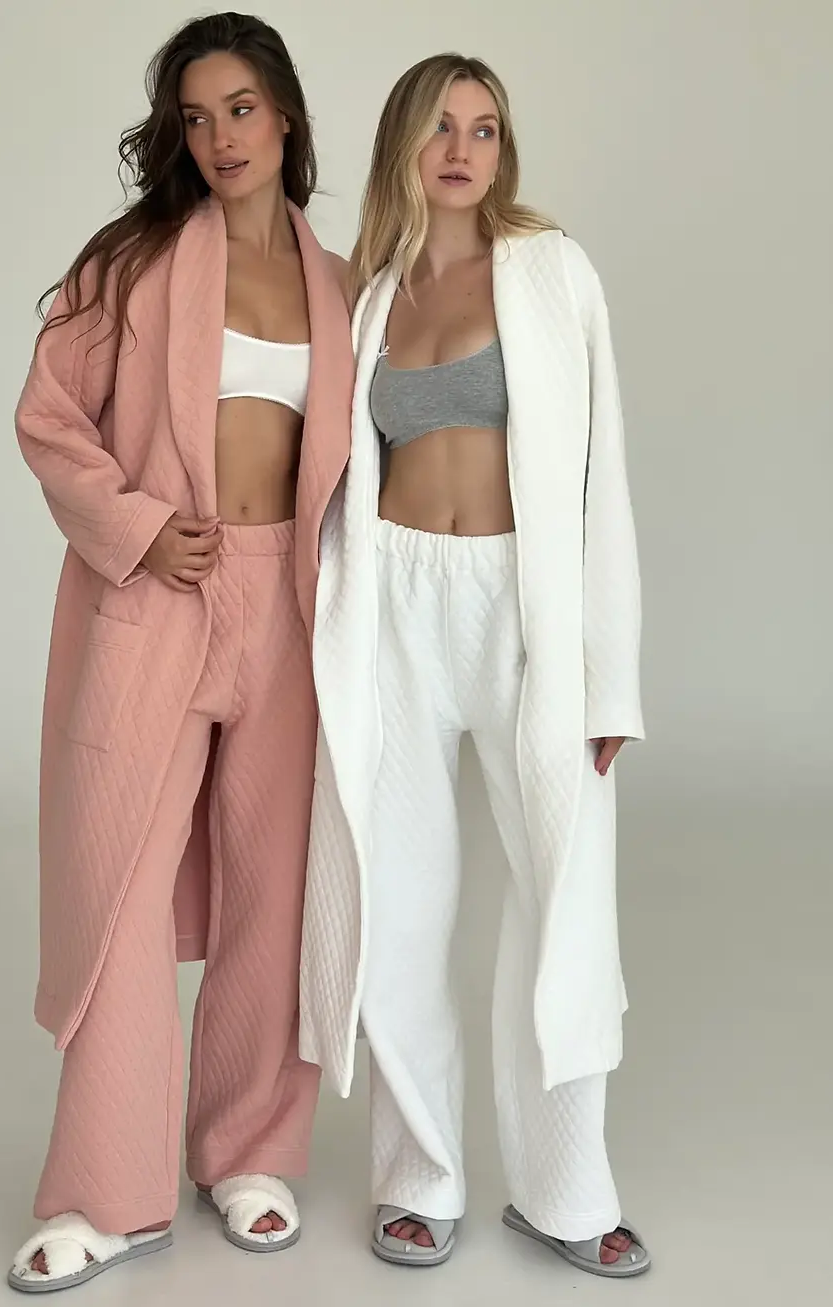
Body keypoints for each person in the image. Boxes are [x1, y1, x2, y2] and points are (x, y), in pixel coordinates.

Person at [7, 13, 352, 1291]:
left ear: (285, 114)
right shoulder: (133, 264)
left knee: (275, 886)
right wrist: (139, 527)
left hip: (293, 610)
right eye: (196, 117)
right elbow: (51, 419)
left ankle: (247, 1149)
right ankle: (103, 1189)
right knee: (122, 889)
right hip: (159, 600)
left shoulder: (343, 283)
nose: (219, 138)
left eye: (240, 108)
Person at [299, 54, 652, 1277]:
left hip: (522, 608)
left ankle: (565, 1190)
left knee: (562, 895)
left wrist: (609, 674)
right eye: (441, 127)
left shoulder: (552, 271)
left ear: (502, 149)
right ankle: (420, 1174)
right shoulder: (368, 295)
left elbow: (603, 475)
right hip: (395, 606)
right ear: (404, 143)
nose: (461, 149)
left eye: (484, 128)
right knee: (397, 899)